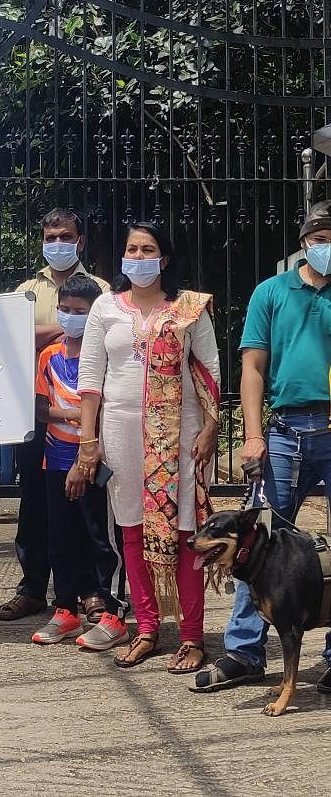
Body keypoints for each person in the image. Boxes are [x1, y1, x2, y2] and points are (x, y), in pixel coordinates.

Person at [192, 204, 331, 694]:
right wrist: (252, 436)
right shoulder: (271, 293)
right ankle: (245, 651)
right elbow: (252, 368)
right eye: (320, 237)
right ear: (304, 241)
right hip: (284, 432)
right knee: (255, 545)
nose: (326, 246)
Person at [76, 221, 219, 672]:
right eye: (131, 249)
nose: (138, 258)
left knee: (185, 532)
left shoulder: (189, 309)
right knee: (133, 531)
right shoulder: (105, 307)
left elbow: (210, 370)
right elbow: (90, 379)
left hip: (180, 434)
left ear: (165, 257)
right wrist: (87, 440)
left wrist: (212, 428)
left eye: (148, 249)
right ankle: (147, 628)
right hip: (120, 433)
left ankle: (193, 637)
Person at [0, 209, 111, 623]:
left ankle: (88, 591)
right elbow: (13, 337)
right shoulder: (26, 289)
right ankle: (32, 588)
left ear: (80, 241)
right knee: (35, 504)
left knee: (87, 509)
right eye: (50, 236)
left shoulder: (101, 288)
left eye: (65, 236)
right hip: (36, 412)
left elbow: (105, 337)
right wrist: (69, 330)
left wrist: (48, 331)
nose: (57, 243)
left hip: (88, 418)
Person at [30, 274, 129, 650]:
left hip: (96, 459)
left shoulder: (103, 354)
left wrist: (86, 451)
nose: (71, 318)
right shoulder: (48, 355)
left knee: (102, 538)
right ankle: (66, 608)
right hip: (55, 458)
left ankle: (111, 610)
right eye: (65, 310)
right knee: (61, 536)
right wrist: (68, 413)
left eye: (80, 312)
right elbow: (40, 408)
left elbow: (105, 409)